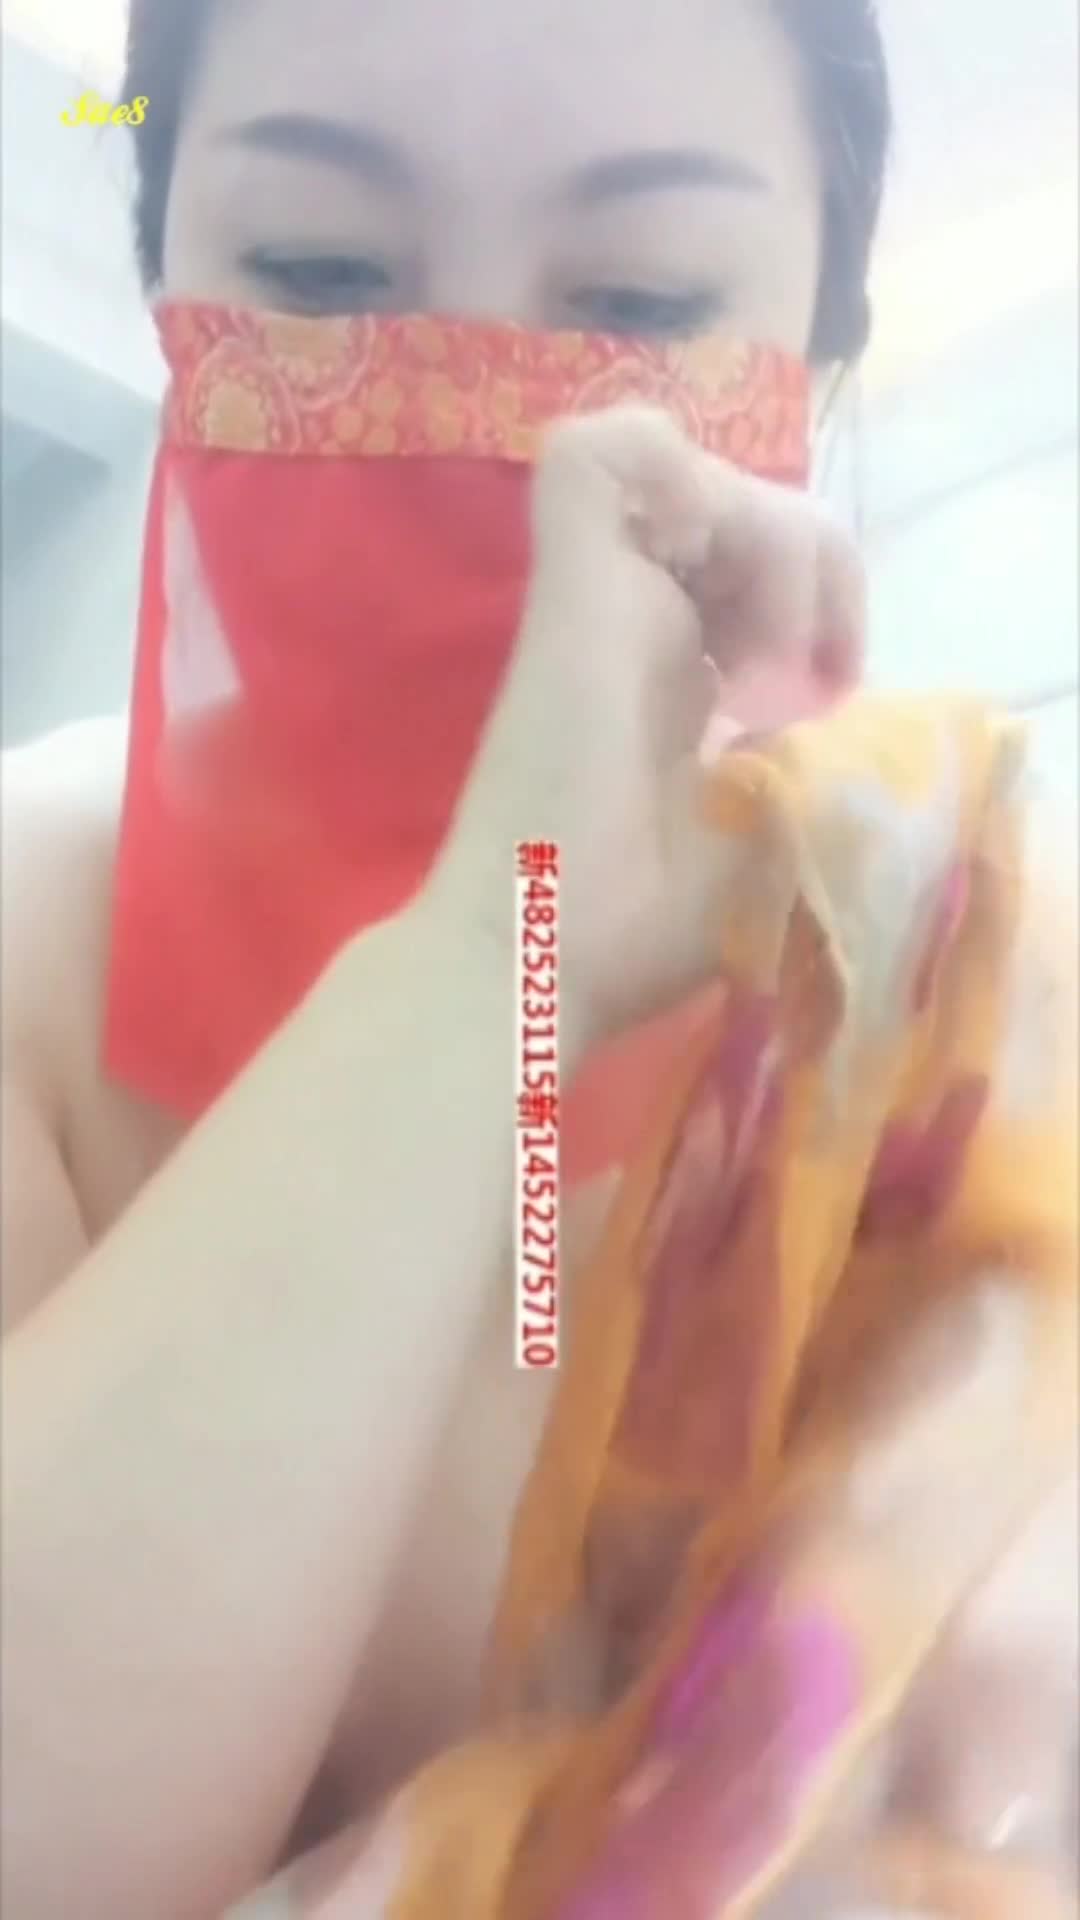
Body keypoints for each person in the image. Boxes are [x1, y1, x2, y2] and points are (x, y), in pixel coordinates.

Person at [1, 2, 1075, 1915]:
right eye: (320, 270)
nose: (513, 428)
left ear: (819, 370)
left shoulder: (967, 988)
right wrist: (503, 940)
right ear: (167, 301)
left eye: (644, 304)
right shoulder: (27, 925)